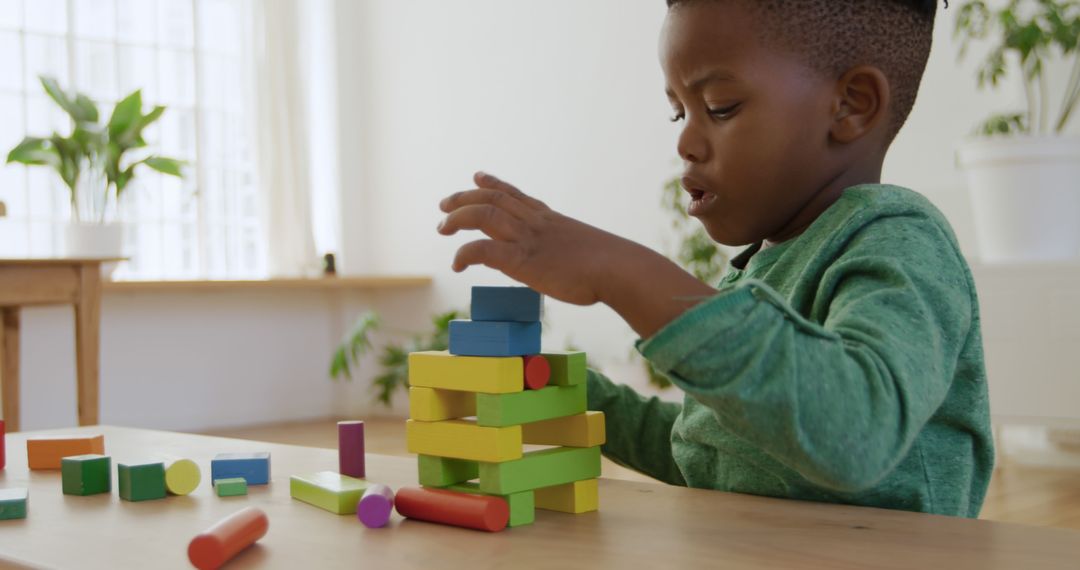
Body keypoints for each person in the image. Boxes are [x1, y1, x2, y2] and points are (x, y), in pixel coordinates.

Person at [436, 0, 993, 517]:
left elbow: (857, 430)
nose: (686, 143)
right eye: (679, 113)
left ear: (851, 105)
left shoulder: (899, 239)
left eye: (719, 108)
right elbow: (711, 452)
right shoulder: (757, 271)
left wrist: (622, 271)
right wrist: (567, 394)